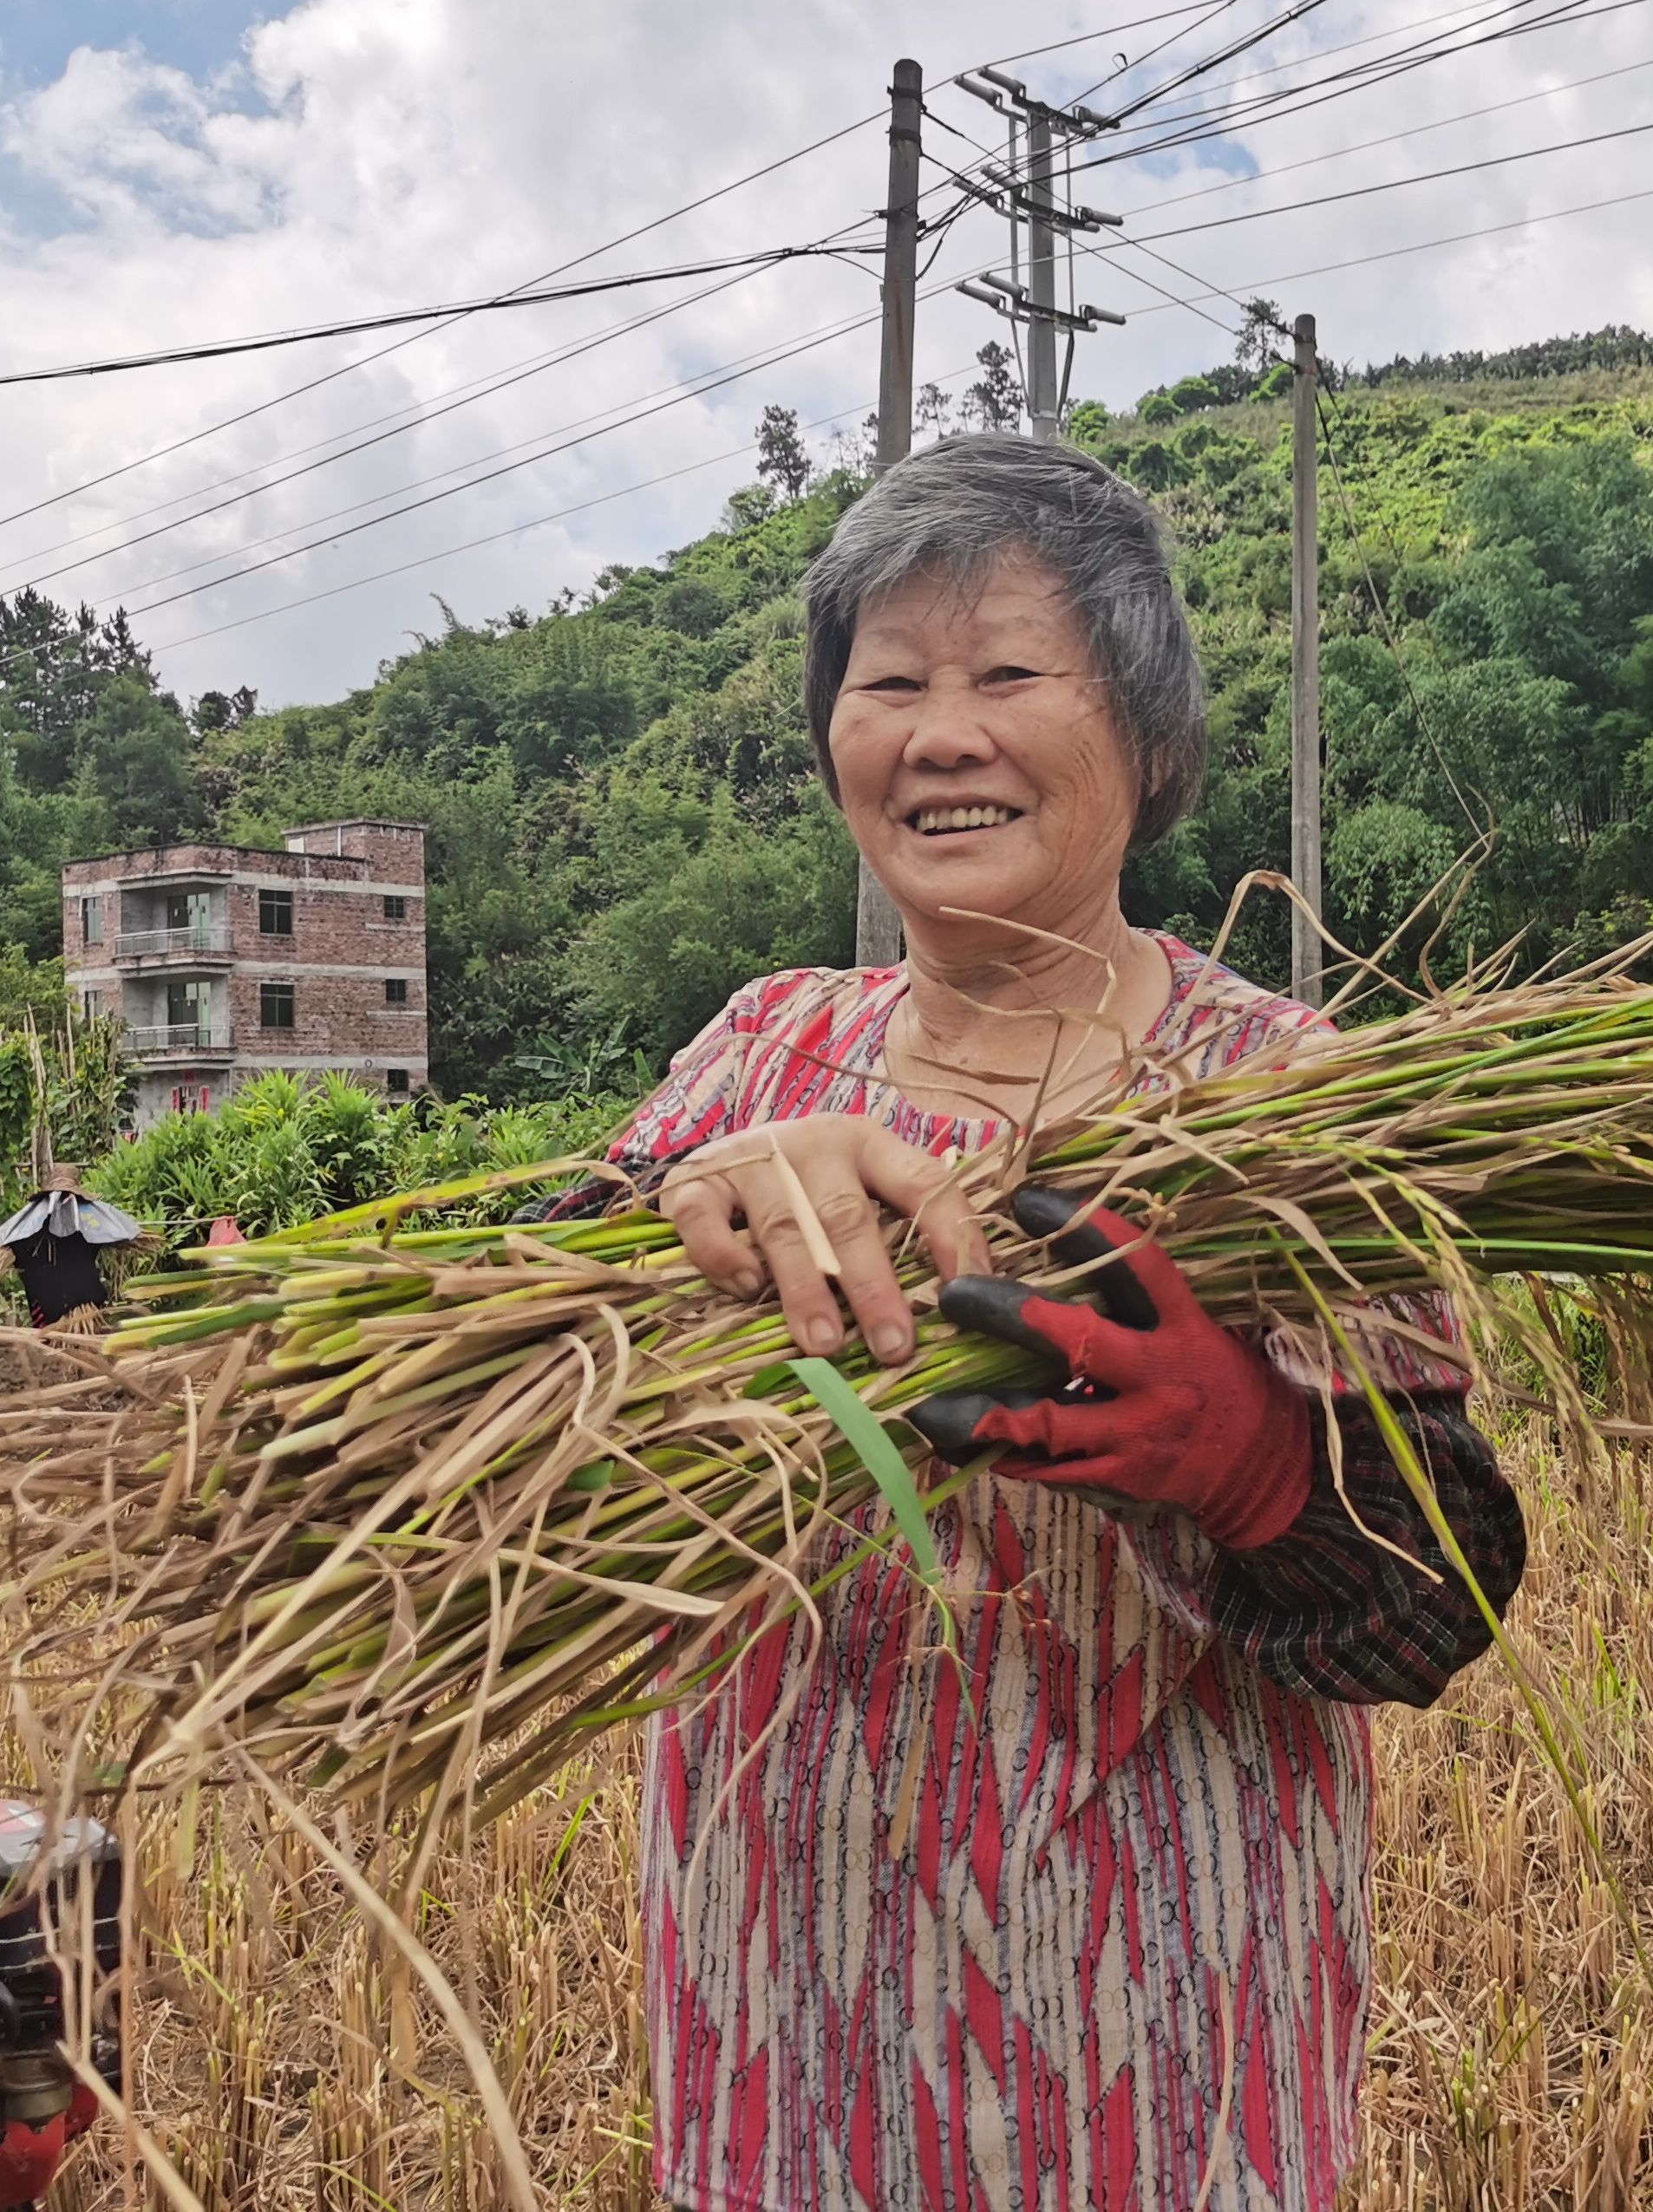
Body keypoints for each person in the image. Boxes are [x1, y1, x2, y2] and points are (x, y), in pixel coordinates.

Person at [594, 434, 1528, 2211]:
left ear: (1153, 740)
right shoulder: (758, 1051)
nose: (942, 733)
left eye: (1011, 674)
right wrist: (667, 1216)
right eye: (890, 685)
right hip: (777, 1993)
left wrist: (1258, 1470)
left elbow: (1435, 1607)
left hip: (1157, 2014)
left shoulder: (1280, 1096)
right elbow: (514, 1374)